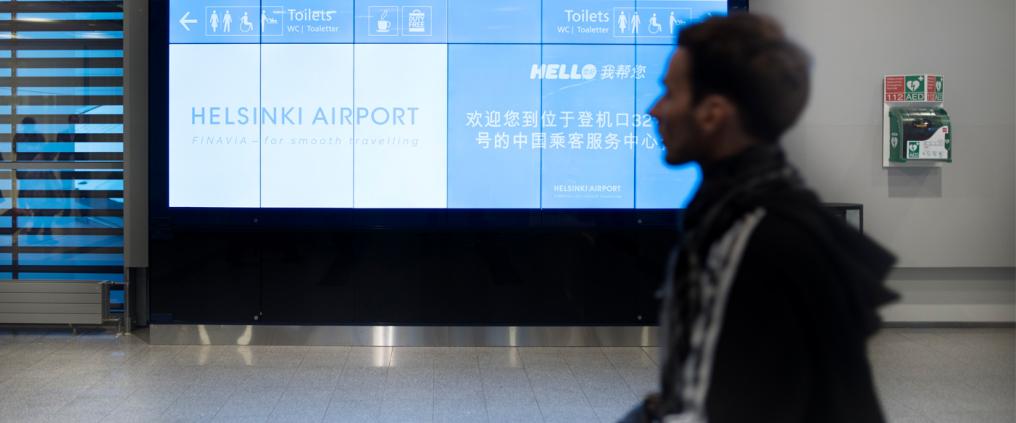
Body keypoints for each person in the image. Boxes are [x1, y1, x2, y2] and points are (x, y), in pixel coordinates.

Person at [621, 14, 899, 423]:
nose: (654, 109)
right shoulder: (771, 211)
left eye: (669, 93)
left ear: (712, 113)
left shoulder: (750, 239)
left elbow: (712, 412)